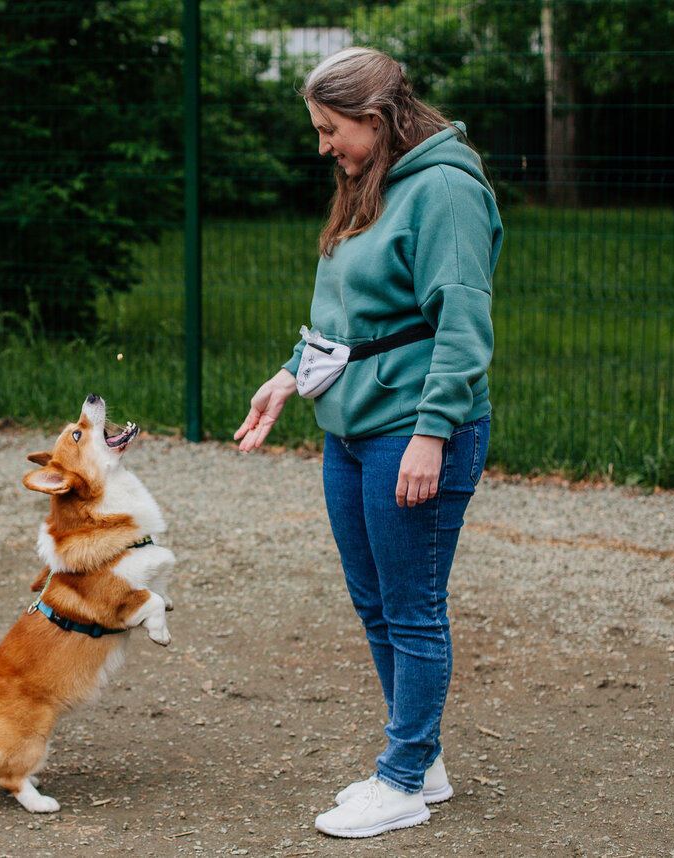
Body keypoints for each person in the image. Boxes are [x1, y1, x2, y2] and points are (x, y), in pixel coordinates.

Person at [233, 47, 502, 839]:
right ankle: (422, 762)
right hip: (351, 427)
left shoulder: (445, 190)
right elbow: (352, 321)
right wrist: (290, 376)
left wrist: (431, 435)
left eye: (331, 129)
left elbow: (461, 327)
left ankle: (403, 781)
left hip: (413, 431)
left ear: (376, 120)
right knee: (375, 601)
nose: (324, 147)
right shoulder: (369, 185)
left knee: (413, 609)